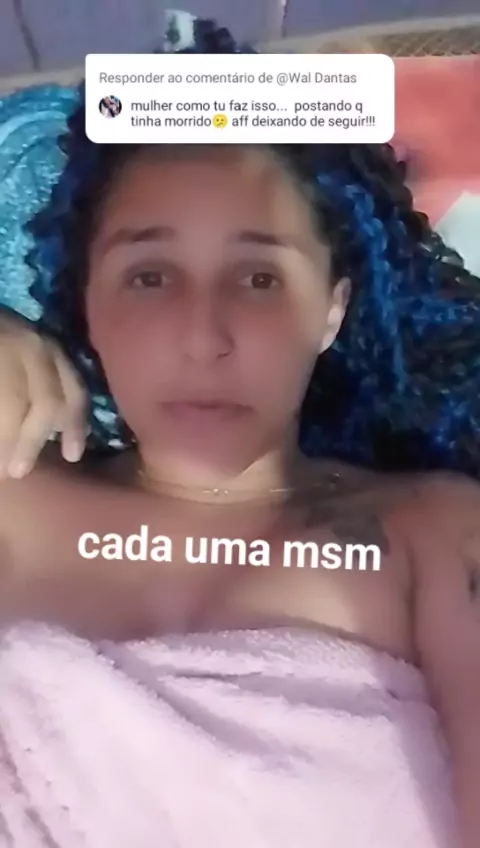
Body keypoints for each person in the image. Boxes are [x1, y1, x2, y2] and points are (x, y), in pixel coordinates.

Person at [0, 18, 479, 848]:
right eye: (150, 276)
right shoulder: (13, 500)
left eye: (258, 277)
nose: (204, 337)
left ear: (330, 311)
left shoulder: (432, 535)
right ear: (87, 306)